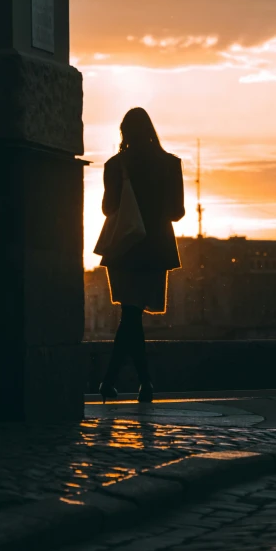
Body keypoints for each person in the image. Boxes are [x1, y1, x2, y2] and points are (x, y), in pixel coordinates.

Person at [98, 107, 185, 403]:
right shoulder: (171, 164)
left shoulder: (115, 164)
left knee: (130, 313)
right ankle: (140, 383)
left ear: (124, 132)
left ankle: (117, 381)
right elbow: (177, 212)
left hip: (123, 247)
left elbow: (109, 209)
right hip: (155, 248)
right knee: (133, 315)